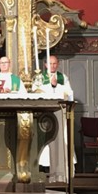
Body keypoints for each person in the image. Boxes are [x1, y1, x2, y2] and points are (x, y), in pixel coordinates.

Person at [35, 55, 74, 183]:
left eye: (54, 63)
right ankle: (44, 166)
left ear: (58, 64)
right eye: (50, 63)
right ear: (45, 65)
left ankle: (61, 169)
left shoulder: (63, 78)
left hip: (59, 111)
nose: (52, 66)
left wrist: (56, 86)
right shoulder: (39, 77)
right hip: (44, 114)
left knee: (61, 138)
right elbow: (35, 92)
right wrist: (50, 87)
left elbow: (69, 94)